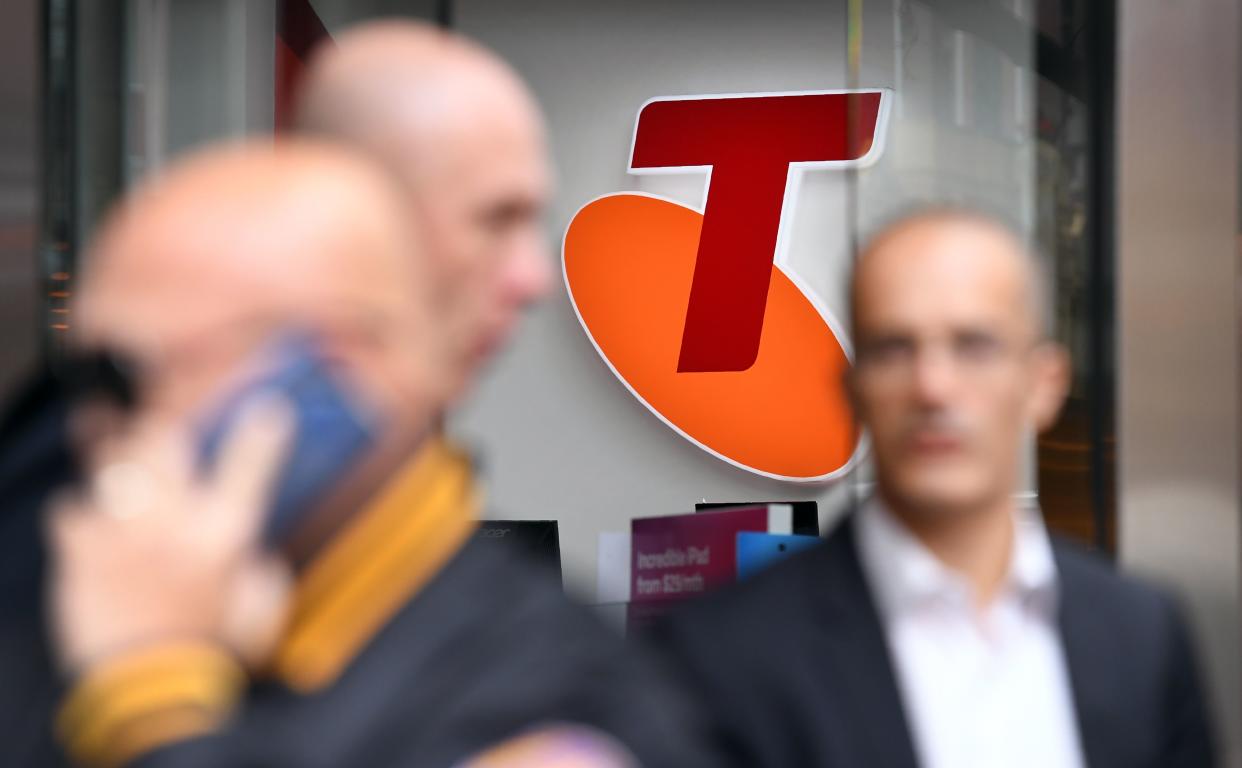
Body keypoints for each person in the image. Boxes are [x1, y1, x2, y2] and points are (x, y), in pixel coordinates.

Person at [41, 138, 710, 767]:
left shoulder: (552, 709)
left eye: (125, 378)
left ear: (332, 370)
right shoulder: (98, 614)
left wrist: (153, 698)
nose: (95, 427)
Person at [650, 208, 1217, 767]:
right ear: (853, 389)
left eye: (974, 345)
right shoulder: (721, 655)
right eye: (894, 348)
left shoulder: (1142, 634)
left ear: (1045, 385)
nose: (933, 387)